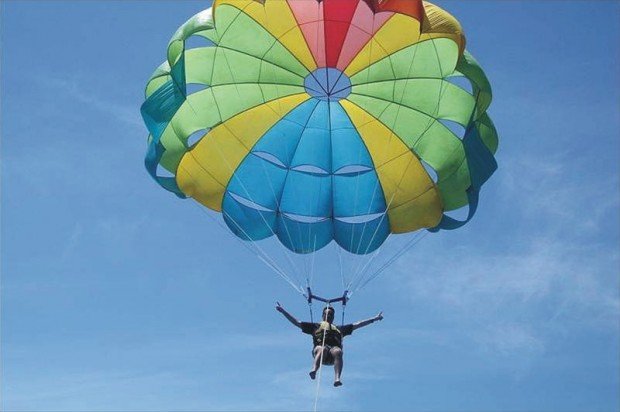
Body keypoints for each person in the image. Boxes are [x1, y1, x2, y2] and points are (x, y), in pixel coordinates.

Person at [276, 301, 383, 387]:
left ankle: (337, 378)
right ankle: (314, 370)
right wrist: (283, 311)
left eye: (331, 314)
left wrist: (375, 319)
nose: (329, 316)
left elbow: (358, 324)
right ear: (323, 315)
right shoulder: (316, 326)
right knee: (322, 348)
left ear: (333, 316)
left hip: (333, 357)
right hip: (320, 353)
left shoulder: (340, 329)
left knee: (338, 351)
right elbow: (297, 322)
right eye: (327, 314)